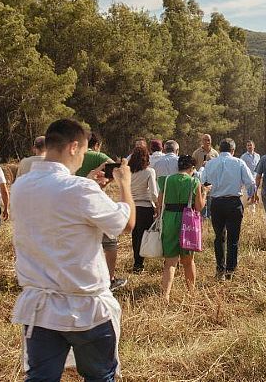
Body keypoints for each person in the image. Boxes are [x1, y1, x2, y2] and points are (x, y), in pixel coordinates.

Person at [10, 118, 135, 381]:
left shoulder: (21, 186)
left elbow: (59, 205)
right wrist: (125, 183)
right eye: (85, 151)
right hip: (85, 308)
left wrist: (90, 183)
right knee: (100, 377)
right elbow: (126, 223)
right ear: (74, 147)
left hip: (41, 308)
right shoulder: (79, 189)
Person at [74, 132, 125, 291]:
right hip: (95, 200)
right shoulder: (98, 156)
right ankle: (110, 278)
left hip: (74, 200)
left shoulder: (75, 156)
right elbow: (116, 168)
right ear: (96, 145)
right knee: (110, 241)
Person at [201, 138, 256, 280]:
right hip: (233, 203)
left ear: (219, 150)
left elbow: (203, 182)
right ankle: (230, 270)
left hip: (216, 203)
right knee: (233, 239)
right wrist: (251, 196)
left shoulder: (210, 164)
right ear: (233, 150)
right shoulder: (239, 162)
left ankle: (220, 269)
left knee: (219, 237)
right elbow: (250, 182)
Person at [156, 155, 205, 302]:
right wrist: (205, 193)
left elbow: (159, 202)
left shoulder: (167, 180)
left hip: (169, 219)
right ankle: (191, 293)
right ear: (191, 168)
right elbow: (199, 207)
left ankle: (165, 296)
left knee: (170, 261)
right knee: (188, 261)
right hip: (187, 221)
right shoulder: (194, 181)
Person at [127, 144, 159, 274]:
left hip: (132, 207)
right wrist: (157, 206)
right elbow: (154, 193)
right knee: (146, 235)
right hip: (145, 206)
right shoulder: (149, 171)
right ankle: (146, 257)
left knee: (136, 236)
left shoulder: (128, 172)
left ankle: (137, 264)